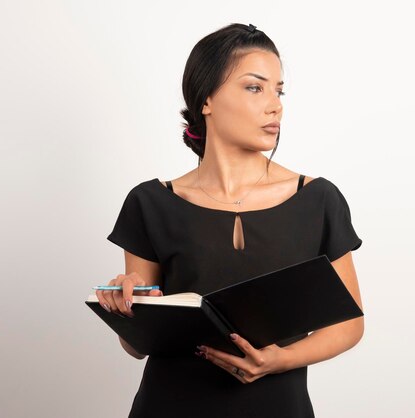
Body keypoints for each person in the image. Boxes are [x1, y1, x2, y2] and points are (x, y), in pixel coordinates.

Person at [97, 23, 364, 418]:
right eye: (255, 87)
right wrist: (127, 307)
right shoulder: (150, 202)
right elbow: (137, 347)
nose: (275, 105)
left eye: (279, 90)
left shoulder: (317, 199)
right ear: (206, 99)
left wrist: (280, 359)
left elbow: (349, 323)